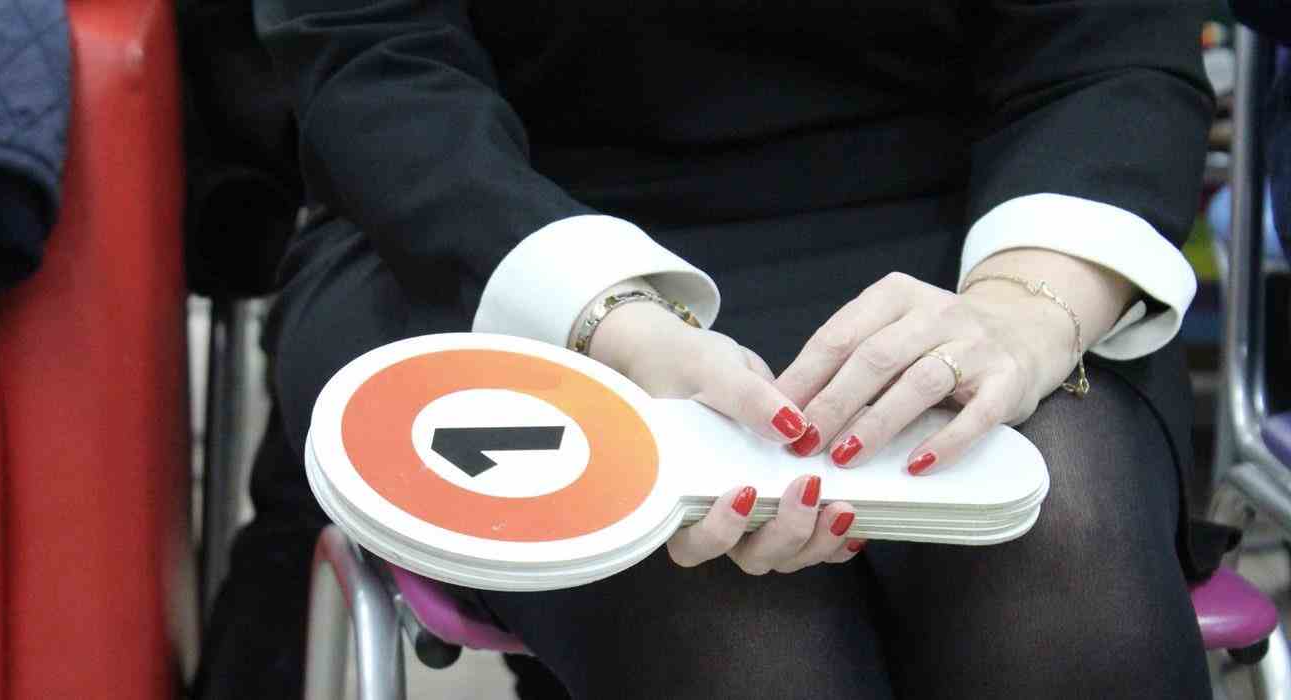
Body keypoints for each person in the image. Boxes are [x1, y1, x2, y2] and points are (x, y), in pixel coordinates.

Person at [223, 1, 1218, 697]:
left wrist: (1027, 303)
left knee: (1055, 540)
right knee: (729, 628)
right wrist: (603, 314)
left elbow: (1113, 41)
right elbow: (373, 58)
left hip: (958, 235)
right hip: (484, 227)